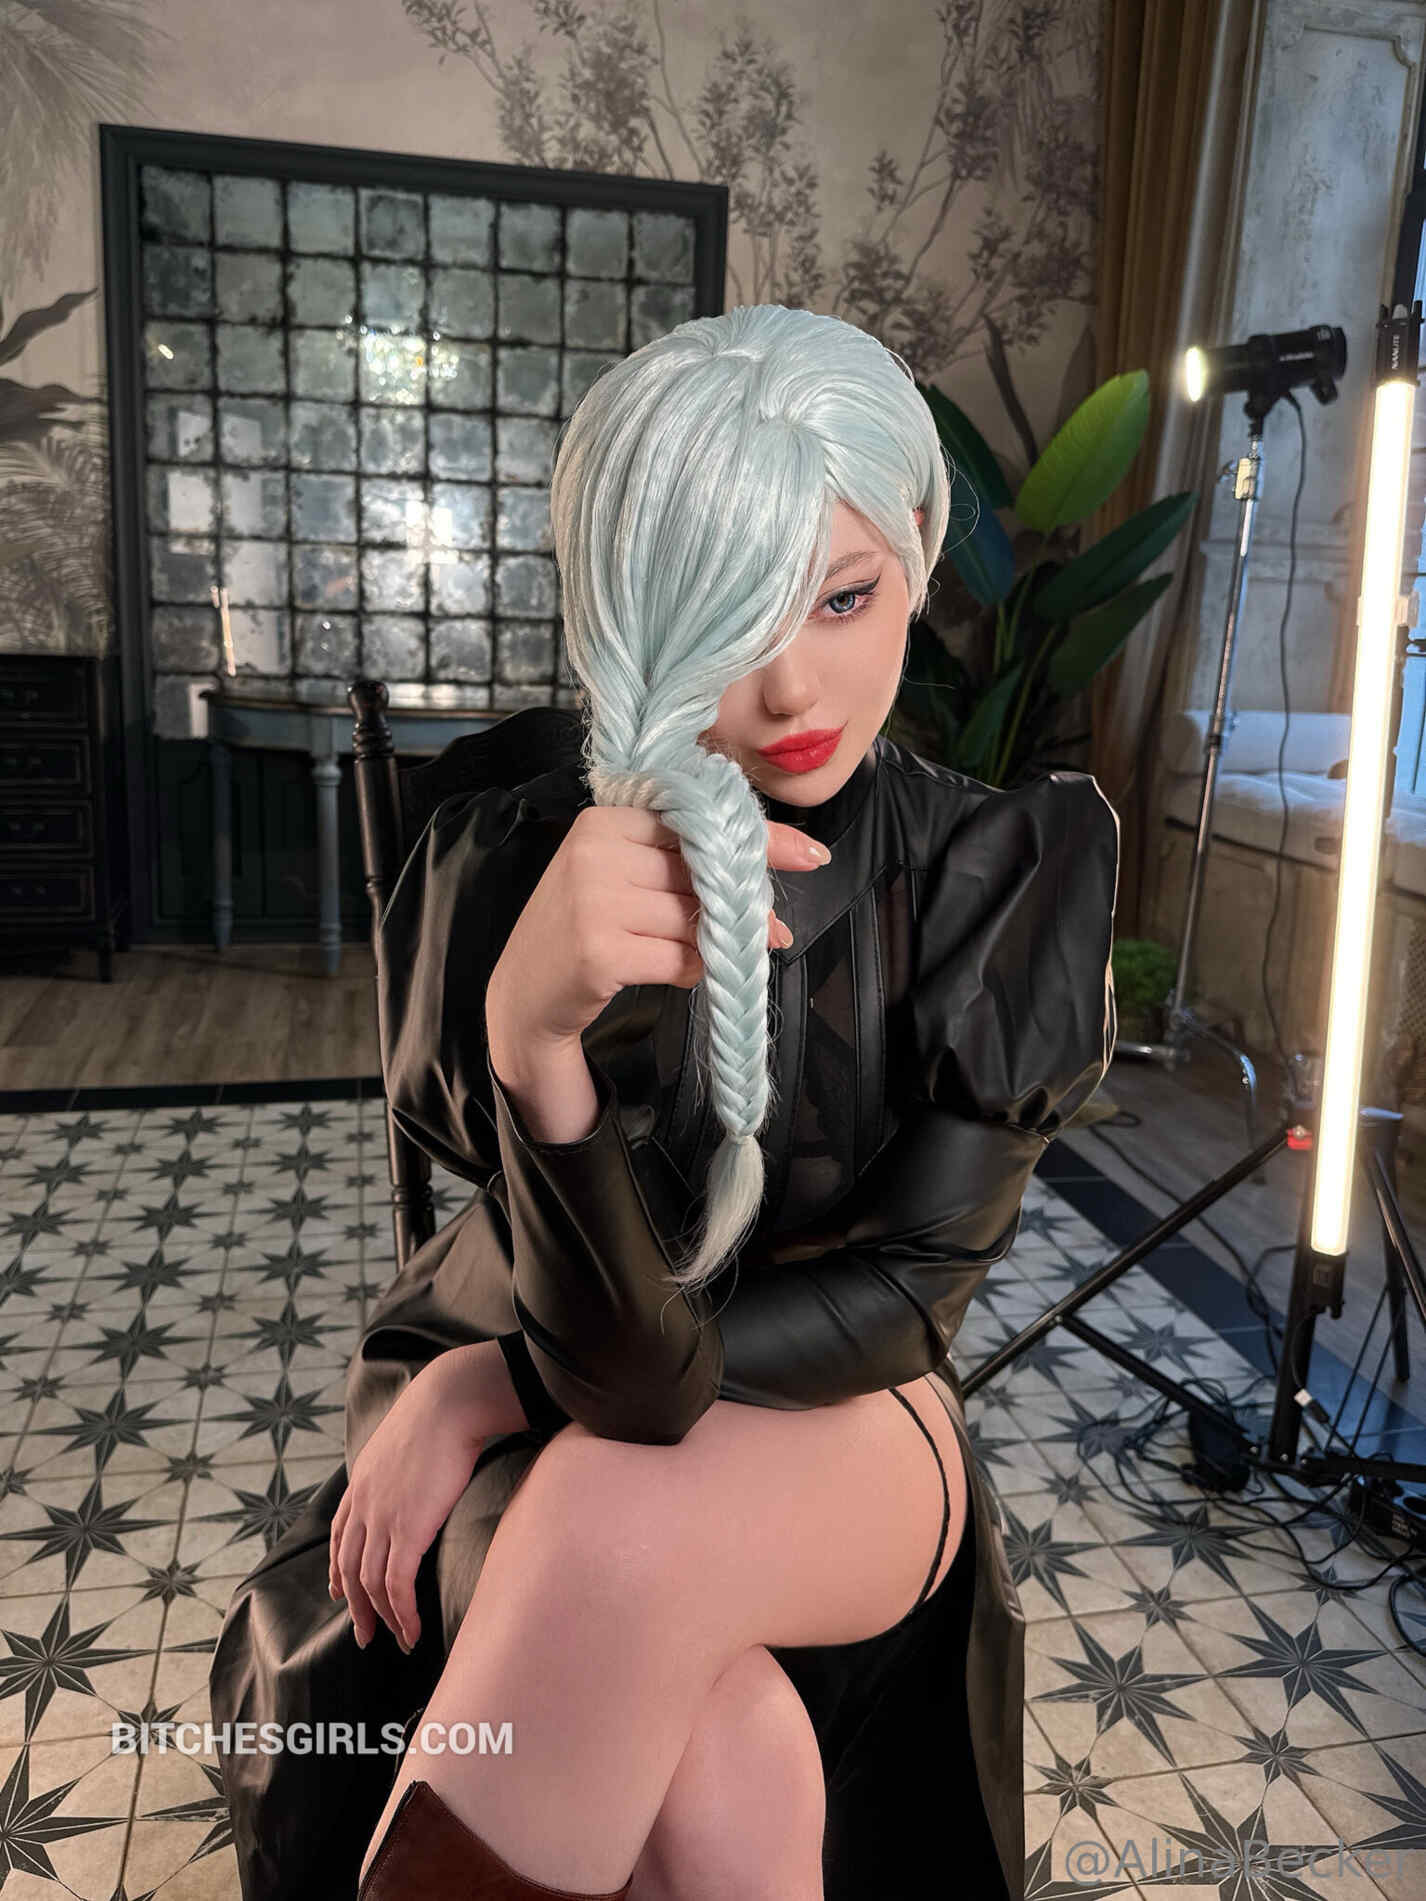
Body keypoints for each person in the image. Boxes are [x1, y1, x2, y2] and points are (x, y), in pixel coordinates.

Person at [208, 303, 1119, 1901]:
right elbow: (621, 1372)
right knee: (721, 1739)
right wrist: (532, 1040)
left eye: (843, 595)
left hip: (839, 1395)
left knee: (610, 1525)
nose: (789, 683)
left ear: (914, 546)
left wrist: (492, 1387)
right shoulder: (512, 856)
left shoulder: (995, 869)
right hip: (551, 1338)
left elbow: (898, 1297)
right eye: (719, 619)